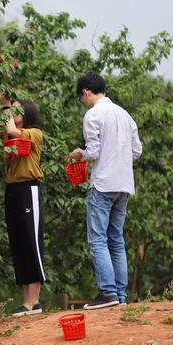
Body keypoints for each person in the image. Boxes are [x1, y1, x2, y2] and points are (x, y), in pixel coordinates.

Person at [68, 72, 142, 310]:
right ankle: (120, 295)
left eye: (82, 98)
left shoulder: (93, 114)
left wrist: (81, 153)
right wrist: (118, 158)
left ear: (86, 92)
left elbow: (94, 151)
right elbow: (137, 151)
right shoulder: (125, 114)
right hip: (124, 185)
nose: (84, 103)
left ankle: (107, 292)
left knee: (98, 239)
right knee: (116, 239)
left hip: (103, 184)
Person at [0, 85, 46, 317]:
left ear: (25, 115)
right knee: (18, 243)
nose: (10, 114)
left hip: (29, 189)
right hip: (13, 190)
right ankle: (27, 301)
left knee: (31, 242)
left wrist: (7, 105)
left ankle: (34, 301)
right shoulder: (10, 130)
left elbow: (11, 128)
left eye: (16, 110)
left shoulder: (34, 133)